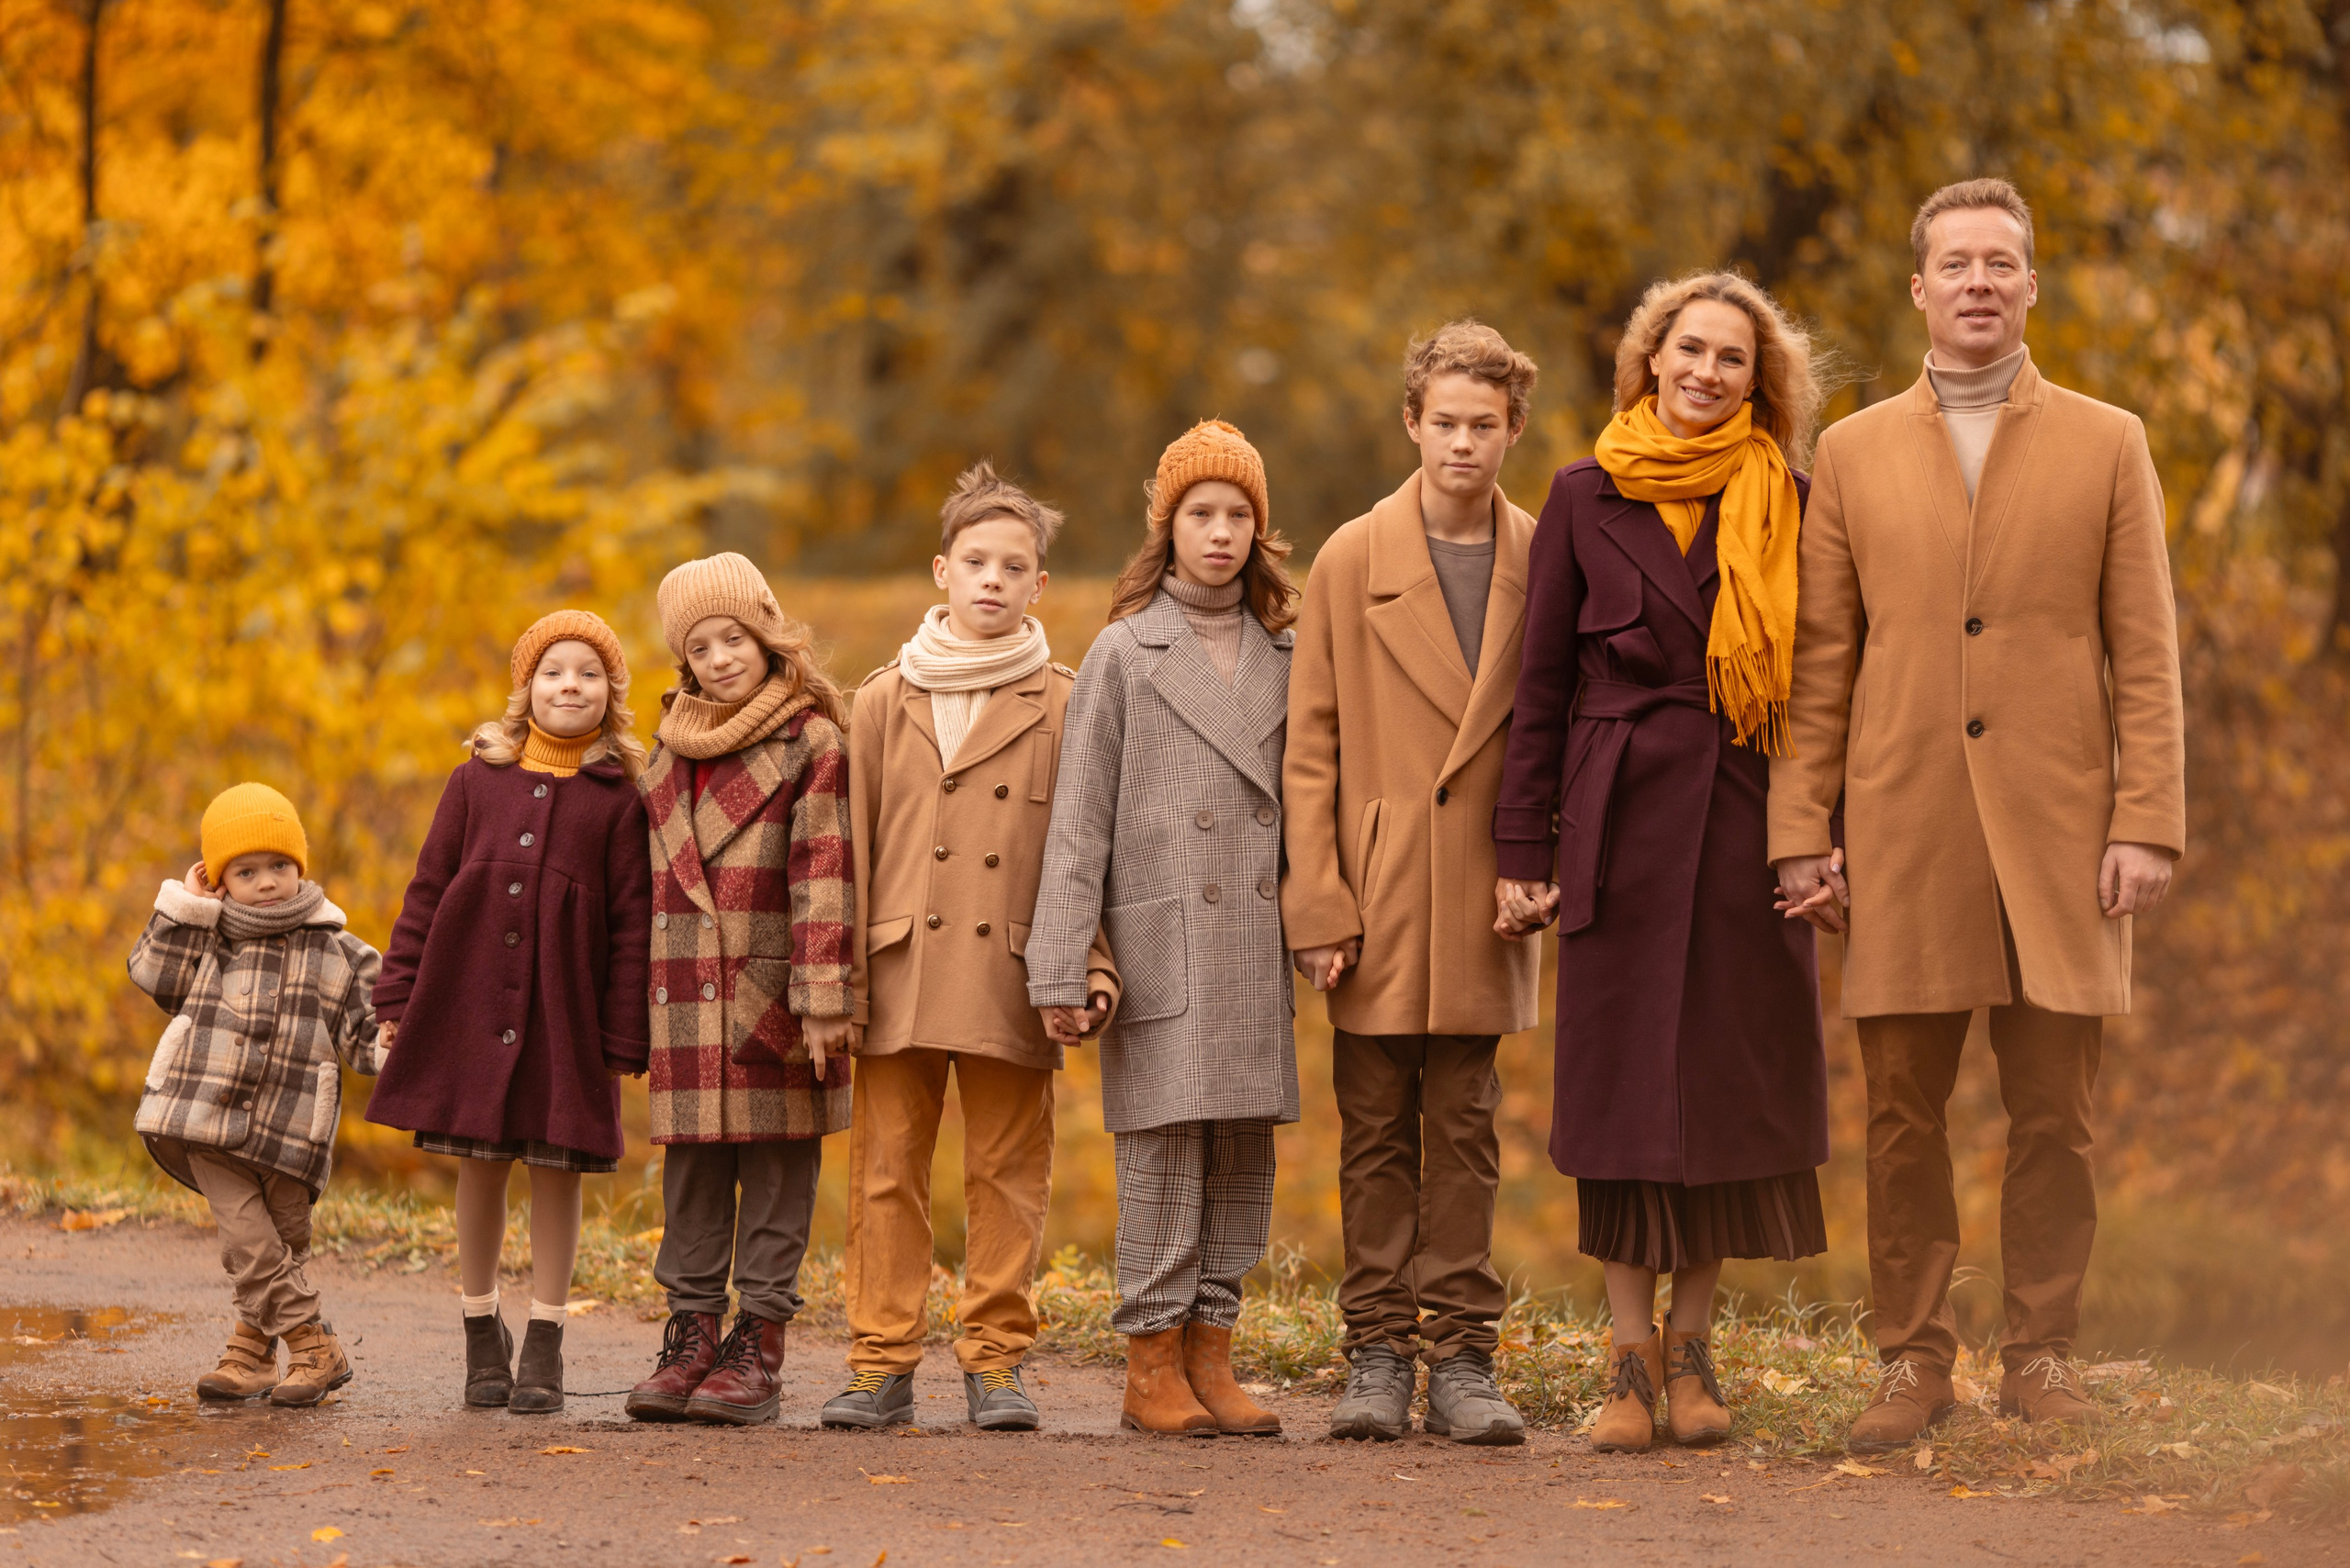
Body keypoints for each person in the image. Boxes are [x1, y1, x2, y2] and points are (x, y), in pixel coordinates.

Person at [1770, 178, 2184, 1450]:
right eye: (1956, 263)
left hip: (2064, 829)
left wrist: (2146, 818)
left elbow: (2148, 650)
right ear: (1919, 288)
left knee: (2057, 1112)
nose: (1979, 282)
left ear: (2032, 284)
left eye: (2002, 261)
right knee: (1902, 1114)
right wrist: (1801, 832)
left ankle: (2041, 1353)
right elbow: (1821, 659)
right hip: (1901, 826)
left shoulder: (2109, 440)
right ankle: (1913, 1360)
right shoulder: (1849, 452)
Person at [1494, 273, 1832, 1453]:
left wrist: (1814, 836)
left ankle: (1695, 1362)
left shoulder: (1790, 494)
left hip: (1745, 822)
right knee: (1624, 1097)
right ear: (1650, 359)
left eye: (1731, 358)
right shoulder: (1585, 493)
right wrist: (1518, 847)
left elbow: (1824, 686)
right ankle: (1623, 1368)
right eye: (1688, 349)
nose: (1706, 372)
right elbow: (1540, 687)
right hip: (1618, 822)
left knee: (1726, 1096)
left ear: (1758, 378)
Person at [1282, 321, 1542, 1445]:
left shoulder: (1545, 554)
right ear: (1411, 423)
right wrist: (1319, 898)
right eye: (1444, 423)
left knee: (1468, 1122)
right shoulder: (1350, 557)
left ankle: (1466, 1357)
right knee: (1375, 1124)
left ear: (1513, 430)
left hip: (1489, 880)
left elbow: (1560, 729)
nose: (1463, 444)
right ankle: (1378, 1354)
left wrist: (1544, 868)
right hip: (1381, 881)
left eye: (1484, 426)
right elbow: (1310, 746)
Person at [821, 463, 1119, 1434]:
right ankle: (879, 1361)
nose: (993, 579)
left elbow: (1091, 850)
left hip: (1015, 970)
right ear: (941, 572)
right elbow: (845, 852)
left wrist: (1091, 965)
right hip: (896, 965)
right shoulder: (879, 701)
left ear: (1040, 587)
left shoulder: (1068, 703)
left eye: (1015, 565)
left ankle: (996, 1362)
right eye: (976, 561)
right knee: (884, 1170)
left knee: (1007, 1175)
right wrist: (832, 980)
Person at [1026, 420, 1300, 1437]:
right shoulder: (1122, 651)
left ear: (1259, 531)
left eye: (1238, 515)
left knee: (1239, 1153)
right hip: (1158, 937)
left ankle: (1210, 1352)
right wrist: (1061, 963)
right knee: (1161, 1149)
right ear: (1168, 526)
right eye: (1201, 513)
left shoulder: (1287, 649)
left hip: (1252, 939)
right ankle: (1150, 1364)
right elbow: (1077, 817)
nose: (1220, 532)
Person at [368, 611, 654, 1415]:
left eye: (590, 674)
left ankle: (547, 1342)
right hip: (466, 1007)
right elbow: (426, 891)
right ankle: (478, 1332)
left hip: (566, 1022)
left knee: (559, 1172)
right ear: (525, 689)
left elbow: (634, 924)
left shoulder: (620, 801)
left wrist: (623, 1031)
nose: (571, 685)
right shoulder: (474, 782)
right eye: (554, 671)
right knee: (480, 1166)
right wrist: (396, 992)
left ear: (612, 696)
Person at [622, 554, 856, 1427]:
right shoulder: (667, 748)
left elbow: (824, 873)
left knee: (776, 1172)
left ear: (767, 634)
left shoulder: (810, 740)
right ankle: (690, 1336)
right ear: (684, 662)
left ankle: (756, 1344)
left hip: (774, 993)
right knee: (690, 1176)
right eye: (701, 647)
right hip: (683, 996)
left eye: (735, 638)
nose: (722, 658)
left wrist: (825, 996)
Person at [129, 782, 385, 1407]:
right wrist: (187, 909)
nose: (266, 881)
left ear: (301, 866)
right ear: (218, 881)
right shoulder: (207, 938)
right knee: (248, 1242)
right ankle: (314, 1345)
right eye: (245, 871)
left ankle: (250, 1354)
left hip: (293, 1130)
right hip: (208, 1119)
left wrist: (398, 1048)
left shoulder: (338, 951)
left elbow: (369, 1033)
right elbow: (155, 977)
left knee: (283, 1244)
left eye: (279, 866)